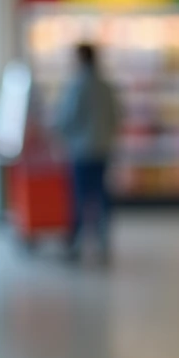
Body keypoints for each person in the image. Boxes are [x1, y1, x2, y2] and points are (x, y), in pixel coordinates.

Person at [55, 43, 120, 264]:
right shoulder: (106, 86)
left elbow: (68, 117)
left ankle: (75, 244)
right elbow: (116, 116)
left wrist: (61, 134)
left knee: (80, 197)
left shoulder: (77, 86)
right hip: (103, 148)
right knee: (101, 195)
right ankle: (103, 243)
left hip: (82, 150)